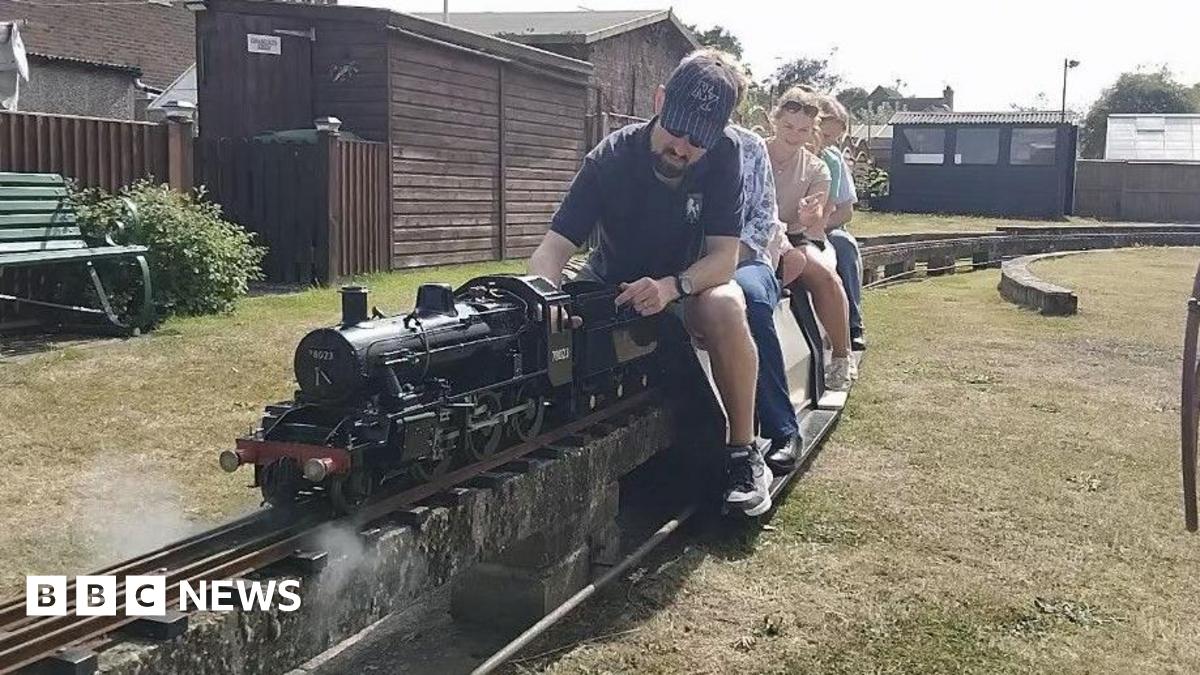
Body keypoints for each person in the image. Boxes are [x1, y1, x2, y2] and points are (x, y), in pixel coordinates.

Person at [527, 50, 773, 516]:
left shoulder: (727, 157)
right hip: (613, 279)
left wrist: (670, 287)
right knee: (552, 321)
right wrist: (544, 294)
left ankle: (743, 452)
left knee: (726, 304)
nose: (682, 149)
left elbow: (724, 257)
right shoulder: (610, 157)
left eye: (697, 142)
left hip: (689, 283)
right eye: (676, 131)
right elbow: (554, 249)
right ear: (660, 100)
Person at [765, 88, 857, 406]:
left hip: (793, 236)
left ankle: (843, 355)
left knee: (824, 275)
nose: (794, 135)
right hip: (752, 234)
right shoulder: (753, 152)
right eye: (788, 127)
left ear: (811, 132)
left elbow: (816, 214)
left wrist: (809, 214)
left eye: (803, 130)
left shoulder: (817, 168)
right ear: (775, 121)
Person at [816, 96, 867, 352]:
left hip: (826, 227)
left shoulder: (833, 160)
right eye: (825, 135)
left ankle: (854, 324)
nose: (828, 143)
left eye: (833, 138)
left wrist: (820, 227)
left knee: (843, 244)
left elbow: (845, 211)